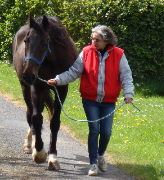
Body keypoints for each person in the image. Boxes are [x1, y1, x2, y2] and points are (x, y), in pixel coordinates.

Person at [47, 25, 134, 176]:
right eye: (92, 39)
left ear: (106, 40)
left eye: (97, 39)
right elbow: (74, 72)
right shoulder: (86, 52)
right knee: (94, 130)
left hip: (109, 101)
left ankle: (100, 155)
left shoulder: (119, 54)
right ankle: (93, 163)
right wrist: (58, 80)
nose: (94, 42)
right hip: (90, 99)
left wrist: (128, 93)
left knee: (106, 132)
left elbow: (126, 75)